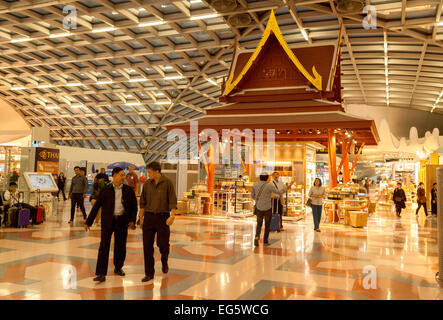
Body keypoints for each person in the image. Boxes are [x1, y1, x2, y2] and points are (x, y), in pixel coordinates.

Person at [84, 167, 137, 283]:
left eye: (124, 175)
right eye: (121, 175)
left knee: (120, 246)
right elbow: (97, 206)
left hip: (122, 221)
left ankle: (118, 268)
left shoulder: (128, 190)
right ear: (115, 175)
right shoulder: (105, 189)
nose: (124, 177)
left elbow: (134, 206)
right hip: (108, 221)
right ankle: (101, 273)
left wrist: (132, 220)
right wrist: (89, 222)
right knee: (104, 247)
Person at [139, 161, 177, 283]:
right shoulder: (146, 184)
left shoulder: (167, 183)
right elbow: (143, 202)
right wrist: (141, 218)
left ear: (157, 171)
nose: (148, 174)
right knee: (147, 246)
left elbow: (172, 201)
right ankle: (149, 273)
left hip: (163, 218)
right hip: (149, 218)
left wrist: (172, 216)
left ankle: (164, 260)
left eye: (149, 172)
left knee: (163, 244)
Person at [251, 173, 279, 246]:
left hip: (259, 207)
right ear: (267, 178)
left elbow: (252, 196)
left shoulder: (255, 185)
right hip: (268, 208)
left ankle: (257, 236)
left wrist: (258, 200)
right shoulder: (269, 185)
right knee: (267, 224)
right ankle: (265, 240)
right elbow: (277, 192)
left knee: (259, 223)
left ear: (260, 177)